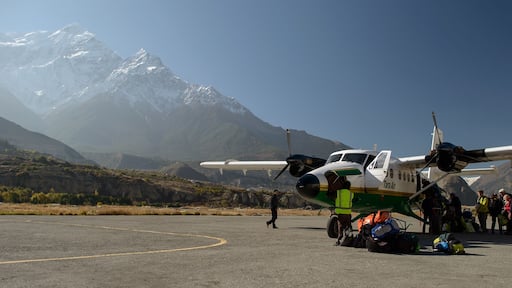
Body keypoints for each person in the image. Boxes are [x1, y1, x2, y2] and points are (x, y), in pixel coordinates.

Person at [334, 175, 353, 246]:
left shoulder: (338, 192)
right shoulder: (351, 194)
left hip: (341, 213)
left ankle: (338, 240)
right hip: (348, 213)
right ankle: (349, 239)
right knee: (348, 226)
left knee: (340, 227)